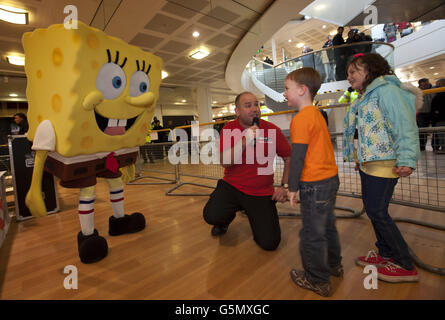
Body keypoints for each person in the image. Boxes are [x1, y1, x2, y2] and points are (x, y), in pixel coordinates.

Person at [343, 53, 422, 283]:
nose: (349, 77)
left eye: (353, 71)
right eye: (348, 73)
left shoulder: (387, 91)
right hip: (370, 164)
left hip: (386, 165)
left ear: (370, 70)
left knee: (377, 211)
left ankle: (404, 264)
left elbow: (404, 125)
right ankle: (385, 253)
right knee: (373, 210)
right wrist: (359, 158)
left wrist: (407, 158)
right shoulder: (365, 96)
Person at [203, 92, 291, 251]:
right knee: (212, 215)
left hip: (261, 192)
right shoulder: (229, 129)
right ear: (237, 111)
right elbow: (225, 162)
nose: (254, 109)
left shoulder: (272, 130)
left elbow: (289, 158)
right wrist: (245, 140)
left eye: (256, 104)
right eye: (248, 105)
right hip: (232, 187)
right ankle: (224, 221)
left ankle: (252, 212)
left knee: (270, 243)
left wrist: (284, 186)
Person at [283, 68, 341, 297]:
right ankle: (335, 264)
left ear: (301, 90)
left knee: (311, 234)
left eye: (287, 88)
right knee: (328, 226)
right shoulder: (317, 114)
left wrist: (292, 188)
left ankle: (317, 279)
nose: (284, 93)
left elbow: (297, 157)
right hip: (330, 179)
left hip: (313, 184)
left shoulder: (300, 119)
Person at [417, 78, 434, 151]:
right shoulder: (416, 92)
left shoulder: (433, 90)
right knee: (422, 131)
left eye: (426, 84)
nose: (425, 86)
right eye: (424, 85)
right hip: (421, 113)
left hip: (432, 112)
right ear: (420, 85)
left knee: (435, 130)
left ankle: (435, 146)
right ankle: (421, 146)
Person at [431, 78, 445, 153]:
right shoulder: (437, 94)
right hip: (438, 119)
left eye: (438, 84)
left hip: (440, 118)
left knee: (441, 134)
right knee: (439, 135)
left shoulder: (438, 95)